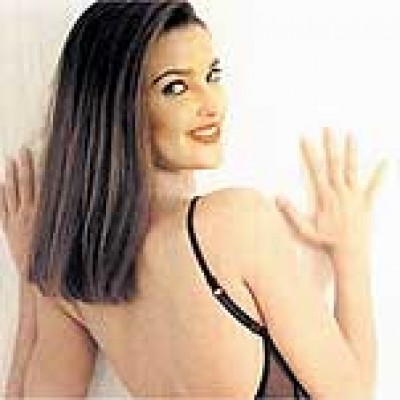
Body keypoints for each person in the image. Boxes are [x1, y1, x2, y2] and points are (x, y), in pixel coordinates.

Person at [1, 1, 385, 398]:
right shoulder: (233, 223)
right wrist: (351, 252)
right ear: (119, 109)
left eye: (212, 75)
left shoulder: (69, 274)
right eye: (176, 87)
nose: (211, 104)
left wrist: (32, 276)